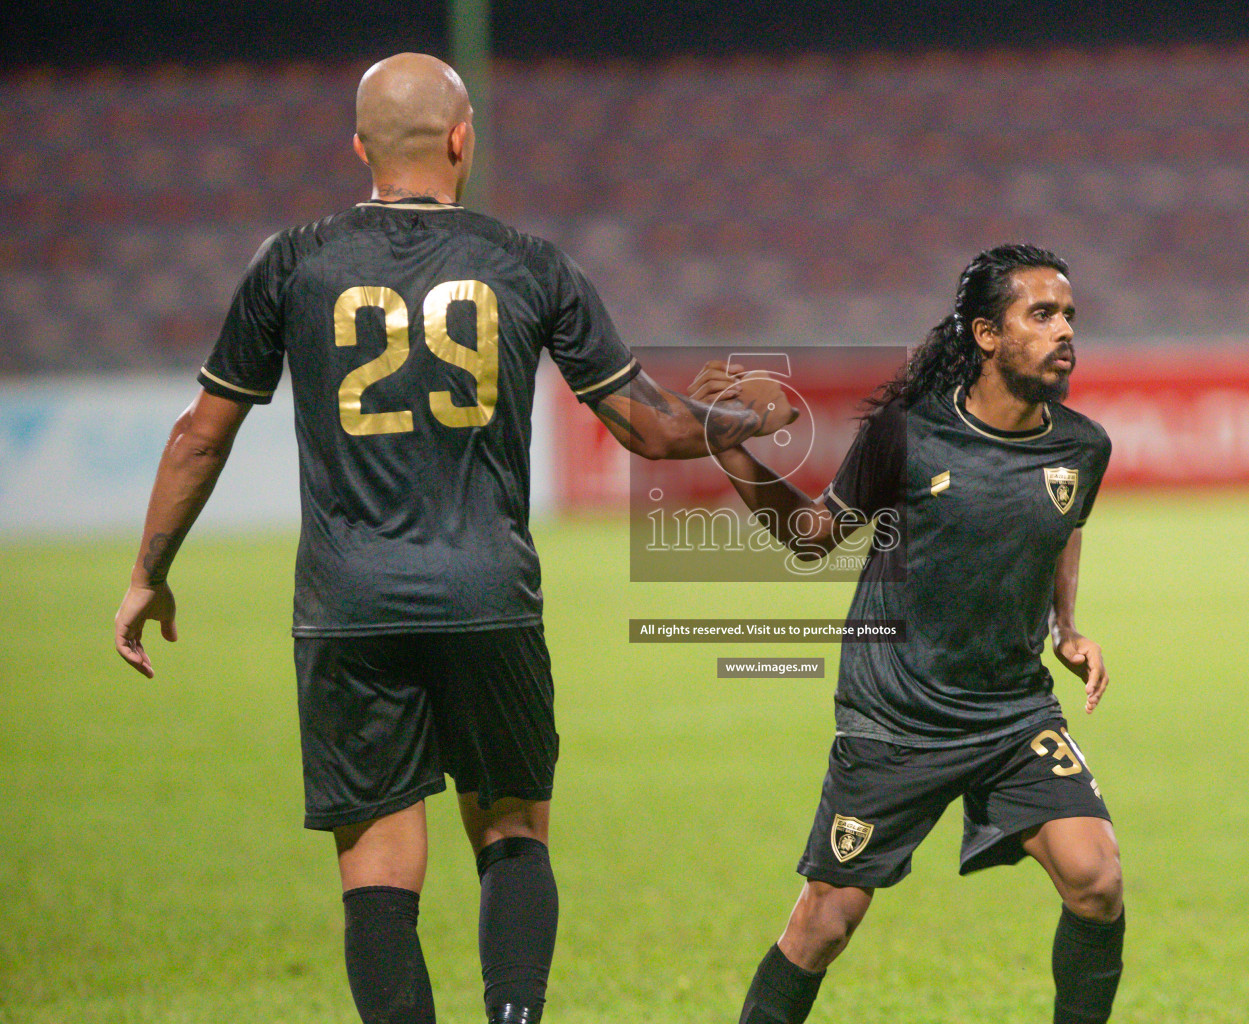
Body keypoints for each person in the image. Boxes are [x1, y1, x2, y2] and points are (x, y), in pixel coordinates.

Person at [112, 52, 793, 1024]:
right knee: (513, 829)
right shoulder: (529, 261)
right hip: (488, 595)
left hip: (347, 605)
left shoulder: (294, 261)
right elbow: (655, 428)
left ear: (361, 147)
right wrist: (750, 420)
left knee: (377, 869)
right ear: (462, 140)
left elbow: (199, 434)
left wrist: (148, 573)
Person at [690, 243, 1124, 1024]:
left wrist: (1067, 625)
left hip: (1011, 715)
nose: (1064, 332)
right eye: (1042, 314)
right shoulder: (909, 435)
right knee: (825, 923)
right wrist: (734, 452)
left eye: (1069, 316)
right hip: (897, 718)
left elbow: (1064, 525)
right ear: (988, 336)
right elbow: (814, 536)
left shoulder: (1081, 446)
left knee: (1096, 879)